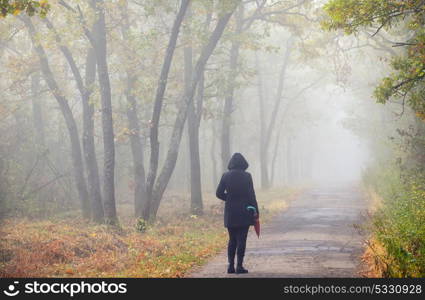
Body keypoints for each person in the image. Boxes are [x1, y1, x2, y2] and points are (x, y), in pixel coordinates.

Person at [216, 152, 259, 274]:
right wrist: (256, 211)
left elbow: (218, 193)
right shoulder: (247, 176)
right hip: (245, 211)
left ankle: (230, 266)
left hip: (230, 212)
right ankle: (239, 266)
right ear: (243, 163)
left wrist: (229, 199)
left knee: (232, 240)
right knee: (242, 240)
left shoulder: (225, 176)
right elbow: (252, 195)